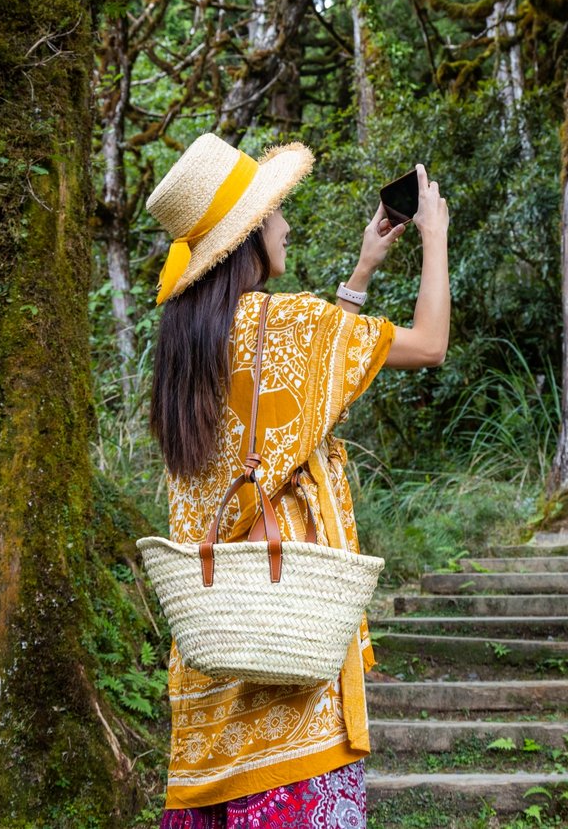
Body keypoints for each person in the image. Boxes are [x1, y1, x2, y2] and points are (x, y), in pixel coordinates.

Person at [144, 133, 450, 829]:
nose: (285, 221)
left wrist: (362, 274)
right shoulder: (287, 324)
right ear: (249, 234)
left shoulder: (180, 347)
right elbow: (430, 342)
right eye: (275, 209)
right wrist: (433, 236)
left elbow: (300, 404)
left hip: (209, 691)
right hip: (291, 678)